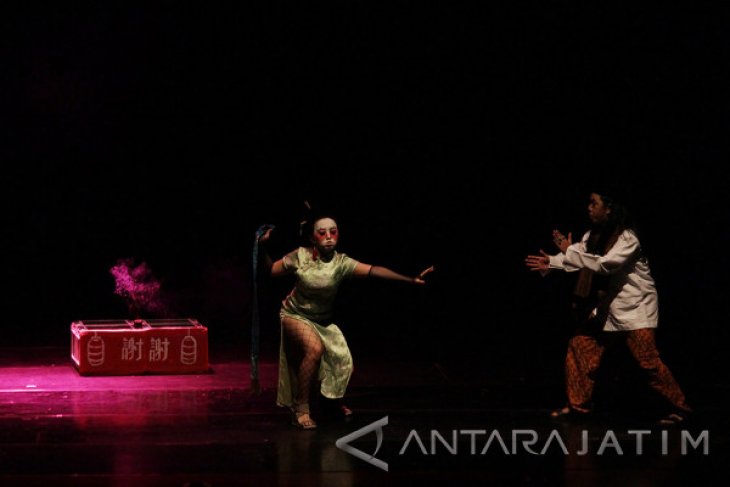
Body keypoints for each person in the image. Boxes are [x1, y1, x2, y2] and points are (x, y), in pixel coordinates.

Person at [525, 191, 691, 425]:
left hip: (636, 307)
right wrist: (552, 262)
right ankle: (578, 407)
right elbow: (581, 258)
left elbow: (604, 265)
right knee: (580, 345)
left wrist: (568, 252)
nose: (589, 208)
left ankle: (681, 408)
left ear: (610, 208)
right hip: (608, 309)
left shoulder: (627, 238)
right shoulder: (592, 235)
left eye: (594, 203)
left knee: (647, 362)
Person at [257, 215, 434, 429]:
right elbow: (270, 271)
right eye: (322, 233)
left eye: (334, 232)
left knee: (343, 361)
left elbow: (373, 271)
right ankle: (300, 408)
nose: (329, 237)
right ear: (313, 238)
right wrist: (261, 246)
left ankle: (328, 404)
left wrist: (409, 279)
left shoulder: (341, 263)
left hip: (322, 321)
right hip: (294, 315)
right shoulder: (300, 256)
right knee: (314, 349)